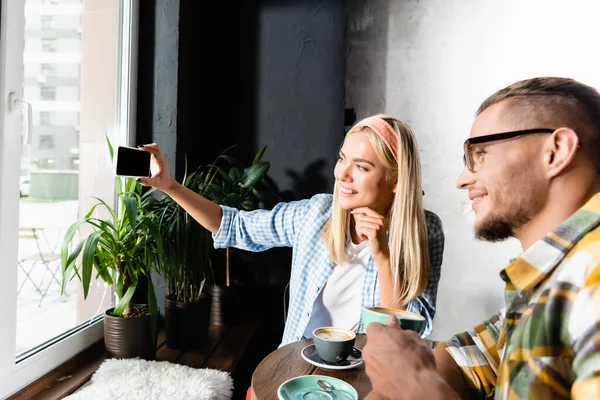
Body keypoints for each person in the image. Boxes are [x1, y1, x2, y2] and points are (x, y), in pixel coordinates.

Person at [362, 76, 600, 400]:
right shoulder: (546, 278)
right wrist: (402, 376)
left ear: (556, 151)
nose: (462, 180)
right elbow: (483, 354)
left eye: (481, 153)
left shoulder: (593, 276)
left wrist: (414, 384)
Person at [138, 113, 445, 348]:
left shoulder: (425, 231)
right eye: (342, 159)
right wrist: (169, 186)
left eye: (362, 167)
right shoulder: (317, 213)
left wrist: (383, 257)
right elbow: (233, 225)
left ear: (395, 180)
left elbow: (405, 337)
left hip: (369, 380)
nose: (342, 175)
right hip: (298, 367)